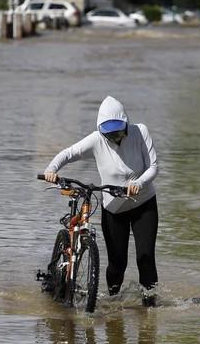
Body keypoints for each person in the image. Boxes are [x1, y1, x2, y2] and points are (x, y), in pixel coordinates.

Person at [43, 95, 159, 306]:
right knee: (117, 263)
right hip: (114, 209)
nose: (115, 137)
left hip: (143, 204)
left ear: (127, 123)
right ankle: (114, 303)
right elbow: (68, 153)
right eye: (110, 134)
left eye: (119, 132)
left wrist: (139, 184)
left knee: (145, 257)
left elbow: (153, 167)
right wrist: (52, 169)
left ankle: (149, 307)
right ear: (101, 130)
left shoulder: (140, 132)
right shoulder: (97, 139)